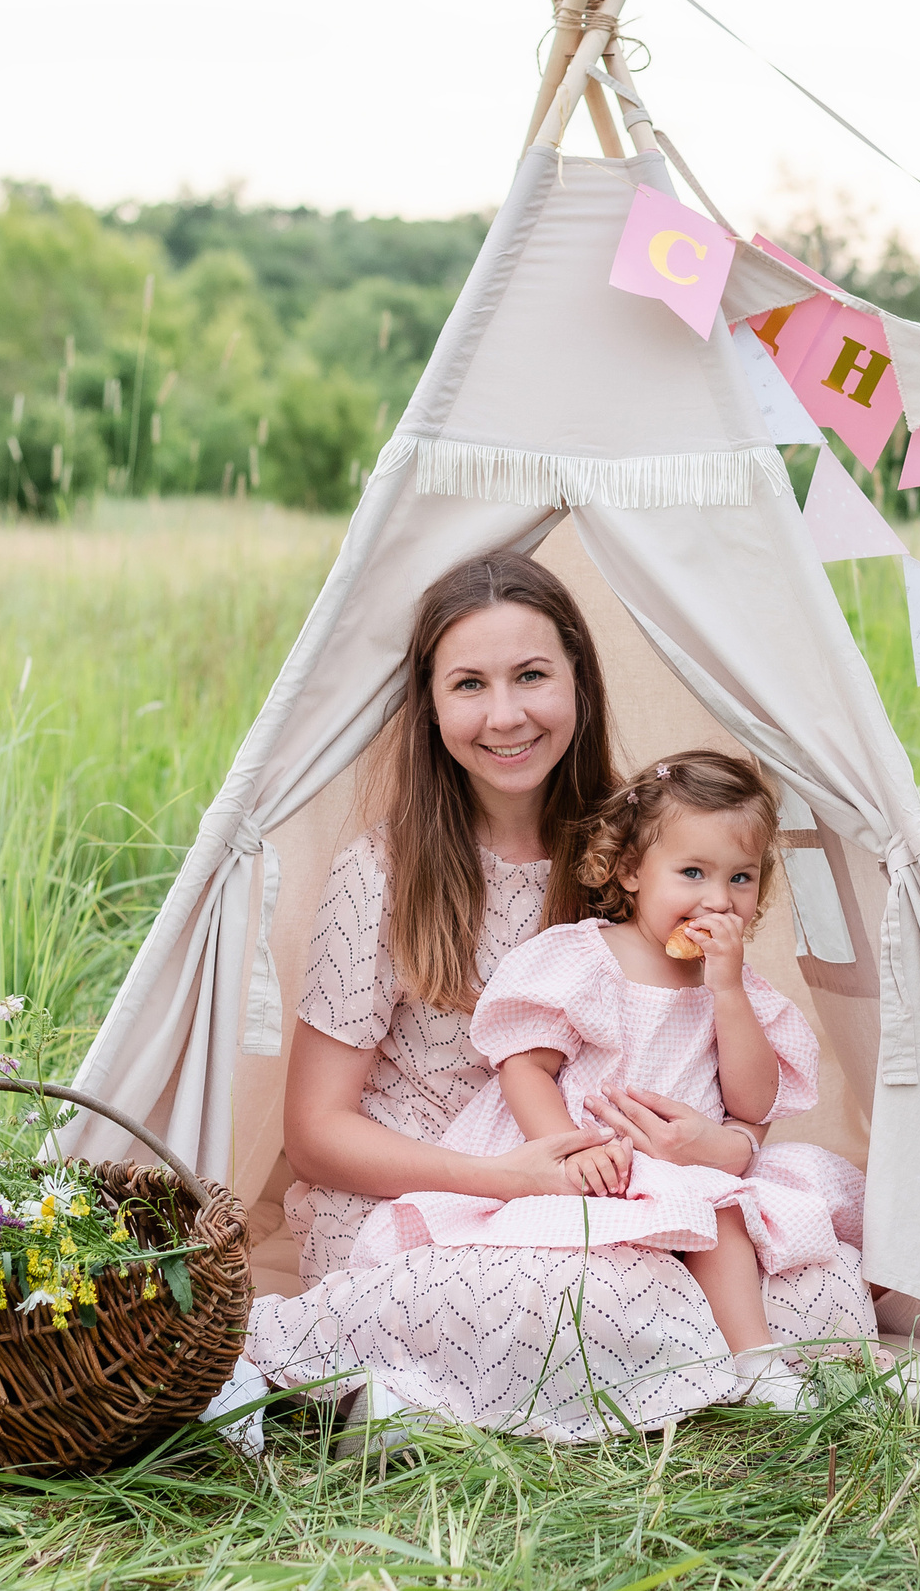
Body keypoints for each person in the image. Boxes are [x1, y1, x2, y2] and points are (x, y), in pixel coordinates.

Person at [242, 549, 870, 1444]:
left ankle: (450, 1385)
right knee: (570, 1295)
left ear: (579, 677)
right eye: (469, 684)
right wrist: (506, 1177)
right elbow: (316, 1132)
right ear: (430, 704)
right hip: (426, 1193)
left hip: (615, 1190)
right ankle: (402, 1378)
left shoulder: (644, 854)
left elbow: (697, 1046)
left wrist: (719, 1143)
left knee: (805, 1274)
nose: (506, 715)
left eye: (532, 674)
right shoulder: (382, 873)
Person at [351, 752, 849, 1409]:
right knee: (571, 1271)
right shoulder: (589, 957)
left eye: (741, 877)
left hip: (683, 1169)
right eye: (692, 872)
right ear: (632, 870)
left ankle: (754, 1362)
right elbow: (525, 1066)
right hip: (587, 1161)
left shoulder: (736, 988)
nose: (718, 898)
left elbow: (752, 1102)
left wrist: (727, 990)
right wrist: (568, 1150)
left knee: (723, 1211)